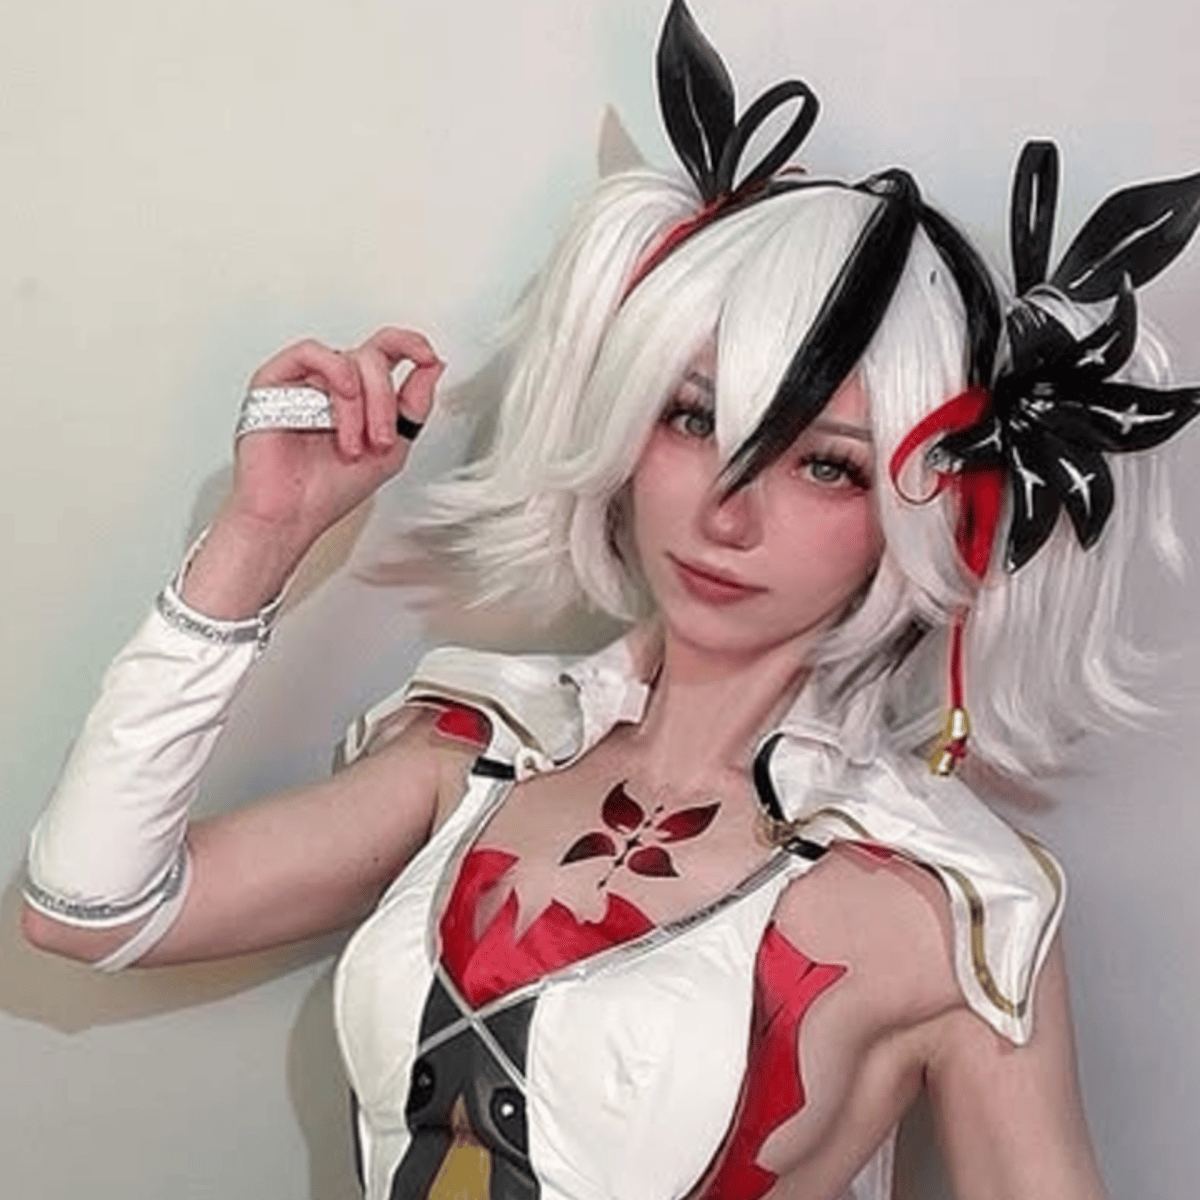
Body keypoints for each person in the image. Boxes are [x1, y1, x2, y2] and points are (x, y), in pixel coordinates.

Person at [20, 3, 1200, 1197]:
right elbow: (86, 909)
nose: (728, 511)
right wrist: (261, 534)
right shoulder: (479, 751)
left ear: (932, 513)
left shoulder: (948, 904)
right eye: (695, 417)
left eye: (827, 466)